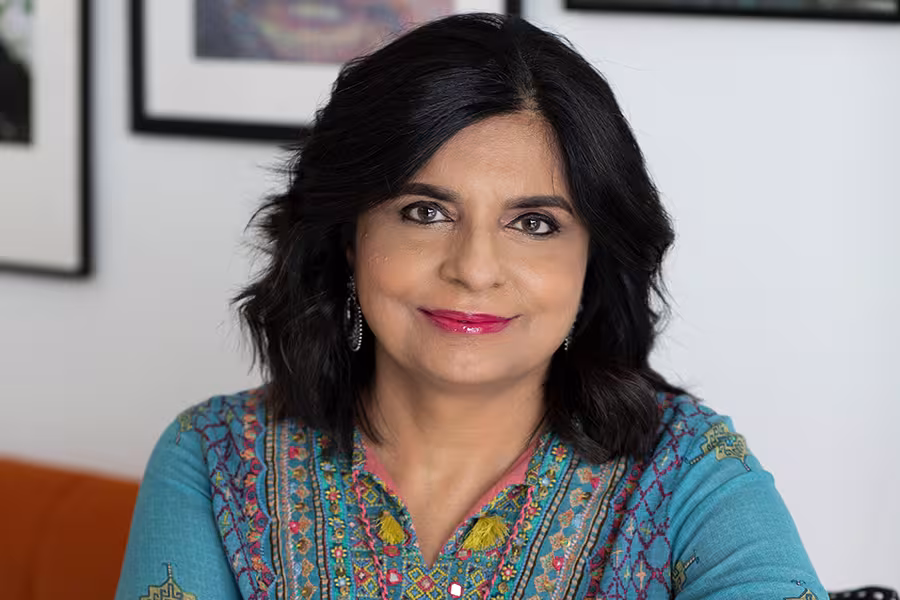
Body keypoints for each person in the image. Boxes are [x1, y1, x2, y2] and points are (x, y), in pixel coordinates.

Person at [115, 13, 826, 600]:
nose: (475, 269)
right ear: (348, 240)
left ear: (593, 261)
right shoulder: (214, 461)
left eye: (535, 223)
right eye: (425, 212)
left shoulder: (690, 475)